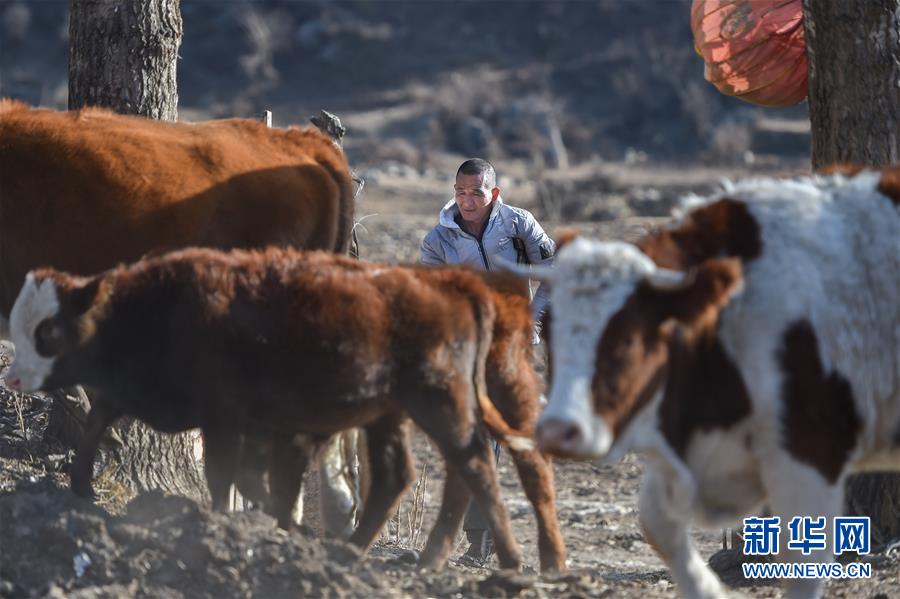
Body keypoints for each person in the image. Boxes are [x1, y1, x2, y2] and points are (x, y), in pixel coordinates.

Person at [420, 158, 554, 563]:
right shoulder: (438, 241)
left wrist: (533, 321)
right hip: (468, 347)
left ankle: (500, 542)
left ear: (493, 193)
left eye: (476, 192)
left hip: (514, 345)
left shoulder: (518, 224)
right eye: (460, 192)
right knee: (476, 438)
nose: (467, 201)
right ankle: (480, 540)